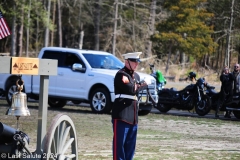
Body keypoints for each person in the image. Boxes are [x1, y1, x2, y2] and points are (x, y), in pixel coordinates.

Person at [112, 52, 149, 160]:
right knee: (119, 146)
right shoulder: (121, 74)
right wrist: (143, 84)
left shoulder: (136, 76)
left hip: (133, 117)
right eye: (134, 62)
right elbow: (132, 89)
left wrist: (140, 85)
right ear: (127, 61)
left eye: (137, 62)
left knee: (130, 148)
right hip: (122, 114)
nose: (136, 64)